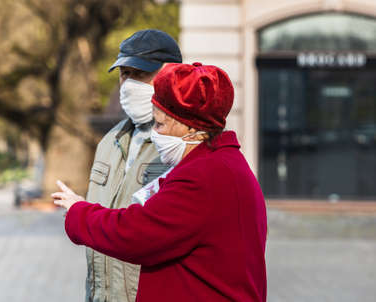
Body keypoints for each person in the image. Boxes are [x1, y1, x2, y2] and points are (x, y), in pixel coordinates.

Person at [53, 62, 268, 302]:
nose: (155, 133)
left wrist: (78, 212)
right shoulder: (223, 162)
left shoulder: (203, 176)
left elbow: (135, 234)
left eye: (160, 124)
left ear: (190, 126)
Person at [80, 29, 182, 302]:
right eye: (125, 74)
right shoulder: (109, 142)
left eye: (140, 74)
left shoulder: (183, 145)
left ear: (171, 75)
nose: (128, 84)